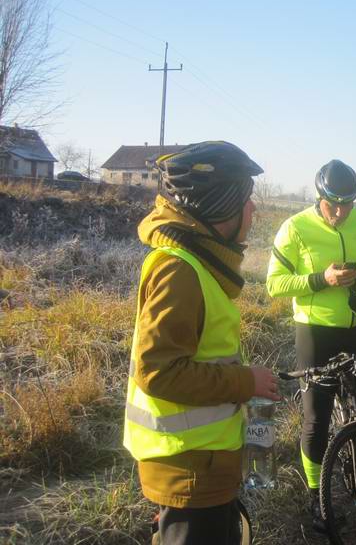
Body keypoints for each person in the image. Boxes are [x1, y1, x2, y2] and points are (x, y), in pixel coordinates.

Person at [123, 141, 281, 545]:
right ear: (221, 207)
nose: (253, 210)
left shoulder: (196, 264)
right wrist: (247, 383)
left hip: (201, 465)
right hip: (189, 471)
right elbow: (158, 371)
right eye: (246, 199)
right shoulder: (179, 270)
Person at [266, 159, 356, 532]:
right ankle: (317, 498)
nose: (340, 210)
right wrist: (320, 279)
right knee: (316, 418)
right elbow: (275, 284)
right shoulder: (295, 228)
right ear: (319, 195)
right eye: (333, 202)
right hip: (315, 331)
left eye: (349, 203)